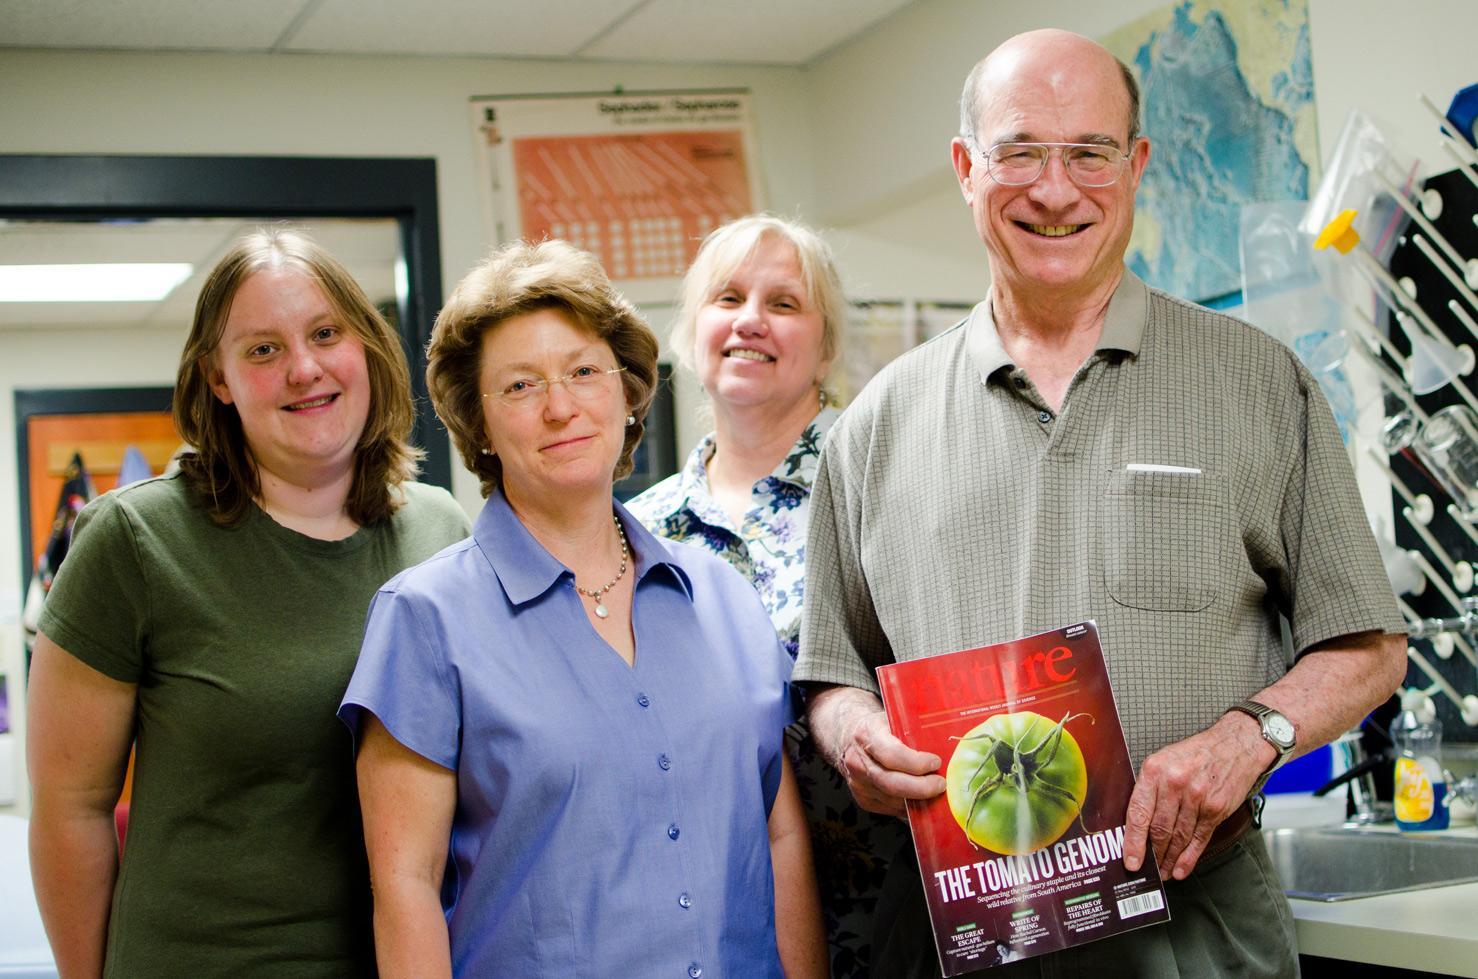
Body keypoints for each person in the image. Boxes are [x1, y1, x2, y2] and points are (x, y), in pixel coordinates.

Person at [793, 28, 1407, 978]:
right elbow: (834, 671)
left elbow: (1368, 645)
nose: (1054, 188)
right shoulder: (874, 424)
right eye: (1020, 151)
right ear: (966, 167)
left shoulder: (1256, 381)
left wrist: (1250, 736)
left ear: (1138, 166)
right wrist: (855, 737)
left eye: (1088, 153)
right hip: (958, 925)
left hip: (1191, 914)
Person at [339, 238, 827, 978]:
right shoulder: (425, 619)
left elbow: (779, 836)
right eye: (520, 387)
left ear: (628, 392)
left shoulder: (724, 597)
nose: (560, 406)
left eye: (583, 371)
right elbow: (404, 887)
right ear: (479, 424)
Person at [26, 228, 471, 978]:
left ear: (366, 347)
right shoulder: (134, 541)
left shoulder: (440, 529)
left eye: (326, 333)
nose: (304, 368)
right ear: (219, 377)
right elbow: (70, 809)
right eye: (262, 349)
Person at [628, 214, 904, 977]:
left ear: (826, 342)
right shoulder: (638, 532)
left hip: (894, 914)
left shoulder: (892, 486)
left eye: (784, 303)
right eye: (727, 297)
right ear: (691, 331)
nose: (751, 319)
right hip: (713, 929)